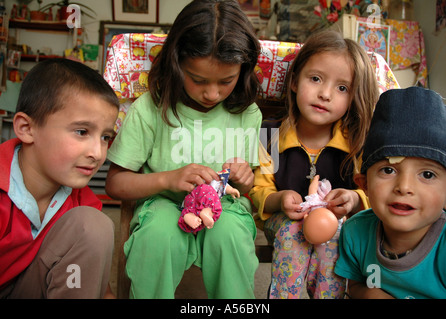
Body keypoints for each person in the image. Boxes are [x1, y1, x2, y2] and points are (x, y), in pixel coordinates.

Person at [105, 0, 262, 299]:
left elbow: (252, 184)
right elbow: (114, 183)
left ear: (243, 71)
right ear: (175, 64)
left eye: (226, 81)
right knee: (158, 238)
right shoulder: (150, 108)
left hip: (225, 210)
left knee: (229, 237)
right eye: (198, 80)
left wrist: (244, 179)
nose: (212, 93)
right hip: (162, 204)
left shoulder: (248, 113)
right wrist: (167, 179)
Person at [249, 30, 379, 299]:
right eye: (316, 79)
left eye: (342, 88)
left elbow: (375, 191)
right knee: (293, 232)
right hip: (284, 222)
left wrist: (354, 198)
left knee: (334, 232)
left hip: (337, 226)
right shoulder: (270, 135)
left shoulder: (357, 142)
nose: (325, 94)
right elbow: (258, 190)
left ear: (352, 97)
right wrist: (280, 198)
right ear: (295, 81)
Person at [0, 58, 120, 298]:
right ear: (26, 128)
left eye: (105, 137)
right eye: (81, 132)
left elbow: (95, 287)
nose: (97, 153)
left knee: (94, 225)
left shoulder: (83, 204)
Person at [335, 87, 446, 299]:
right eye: (388, 170)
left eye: (427, 174)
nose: (404, 187)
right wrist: (370, 295)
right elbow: (353, 285)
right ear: (365, 186)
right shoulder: (355, 232)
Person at [179, 168, 240, 233]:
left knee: (192, 209)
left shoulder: (199, 184)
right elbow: (224, 186)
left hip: (190, 198)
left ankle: (189, 216)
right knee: (215, 206)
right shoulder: (215, 183)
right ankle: (207, 212)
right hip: (204, 194)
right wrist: (232, 190)